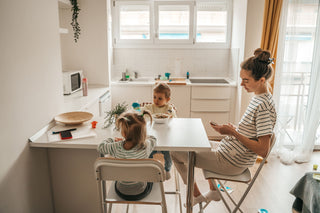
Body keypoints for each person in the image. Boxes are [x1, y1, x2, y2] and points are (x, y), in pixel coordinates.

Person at [171, 48, 277, 206]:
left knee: (175, 152)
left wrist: (234, 132)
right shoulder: (259, 98)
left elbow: (263, 150)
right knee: (194, 143)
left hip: (232, 162)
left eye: (246, 80)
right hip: (228, 152)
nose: (241, 84)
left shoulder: (264, 106)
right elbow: (252, 132)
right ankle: (213, 192)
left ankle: (196, 196)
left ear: (261, 80)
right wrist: (232, 130)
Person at [97, 110, 156, 201]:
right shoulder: (145, 147)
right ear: (142, 133)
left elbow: (101, 147)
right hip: (141, 191)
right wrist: (143, 137)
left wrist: (112, 140)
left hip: (121, 191)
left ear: (123, 133)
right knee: (153, 176)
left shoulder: (116, 147)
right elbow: (153, 139)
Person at [142, 83, 177, 180]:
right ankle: (149, 169)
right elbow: (144, 110)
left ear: (167, 99)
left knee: (168, 154)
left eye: (160, 98)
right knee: (148, 152)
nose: (156, 100)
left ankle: (167, 170)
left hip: (165, 137)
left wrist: (168, 114)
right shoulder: (150, 107)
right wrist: (141, 110)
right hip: (152, 136)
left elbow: (172, 113)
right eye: (154, 97)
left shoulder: (168, 108)